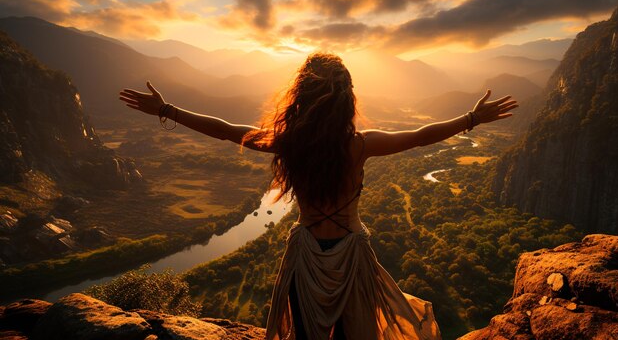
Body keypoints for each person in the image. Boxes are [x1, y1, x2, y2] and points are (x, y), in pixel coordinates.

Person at [119, 52, 518, 340]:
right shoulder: (359, 145)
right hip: (351, 252)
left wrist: (168, 109)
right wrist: (470, 118)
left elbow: (227, 129)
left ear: (301, 97)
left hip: (306, 253)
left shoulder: (289, 143)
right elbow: (418, 138)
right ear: (347, 100)